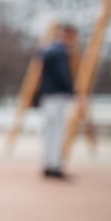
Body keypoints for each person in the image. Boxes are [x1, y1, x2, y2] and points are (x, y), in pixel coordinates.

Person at [37, 24, 78, 179]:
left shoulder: (48, 49)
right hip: (57, 95)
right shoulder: (61, 51)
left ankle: (48, 163)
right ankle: (54, 165)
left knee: (49, 131)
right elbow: (62, 74)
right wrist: (71, 91)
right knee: (57, 130)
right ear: (67, 35)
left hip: (46, 94)